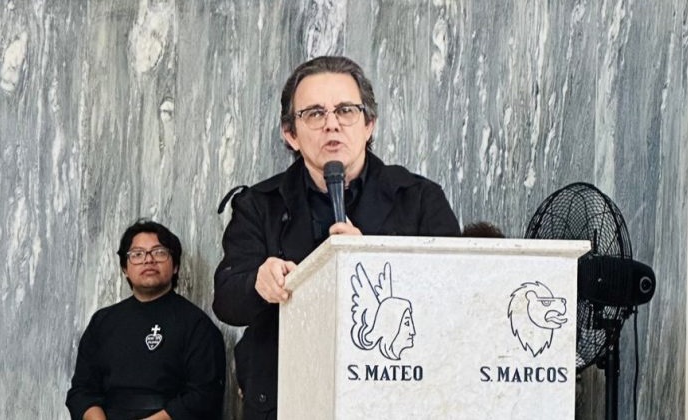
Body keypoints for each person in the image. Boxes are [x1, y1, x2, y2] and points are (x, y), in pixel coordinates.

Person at [213, 56, 460, 419]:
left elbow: (456, 297)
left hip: (393, 393)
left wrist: (373, 259)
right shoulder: (258, 204)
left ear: (369, 124)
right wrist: (258, 283)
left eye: (345, 110)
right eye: (314, 113)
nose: (332, 124)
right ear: (290, 134)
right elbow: (226, 300)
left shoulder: (419, 198)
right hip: (287, 396)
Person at [66, 220, 226, 420]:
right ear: (125, 268)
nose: (148, 260)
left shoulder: (197, 325)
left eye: (159, 252)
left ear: (175, 266)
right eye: (137, 254)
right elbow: (81, 391)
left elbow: (204, 396)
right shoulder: (102, 322)